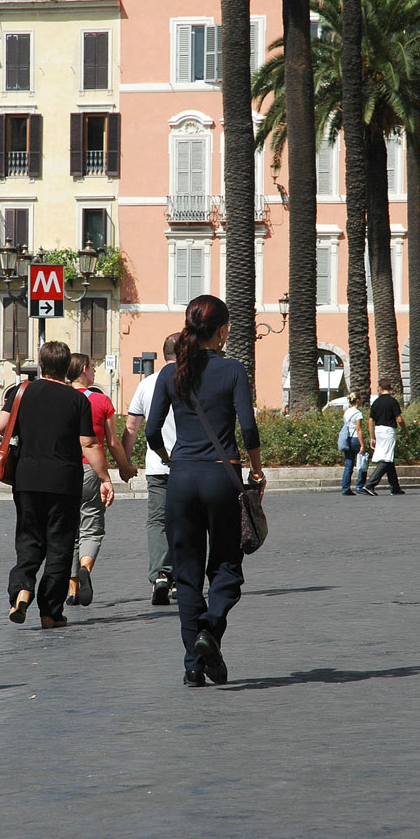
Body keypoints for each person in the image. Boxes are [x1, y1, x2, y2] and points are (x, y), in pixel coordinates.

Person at [146, 295, 265, 688]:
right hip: (221, 474)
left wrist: (169, 457)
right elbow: (248, 428)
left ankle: (193, 667)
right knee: (227, 564)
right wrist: (257, 470)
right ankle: (210, 631)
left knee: (187, 572)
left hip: (181, 478)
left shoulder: (170, 373)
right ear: (222, 331)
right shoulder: (233, 369)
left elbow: (151, 431)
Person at [0, 341, 114, 629]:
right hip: (64, 481)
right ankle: (50, 613)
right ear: (66, 367)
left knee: (29, 538)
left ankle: (22, 590)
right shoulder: (78, 400)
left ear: (41, 365)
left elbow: (0, 426)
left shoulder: (22, 392)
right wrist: (105, 478)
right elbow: (88, 443)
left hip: (27, 479)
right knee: (60, 545)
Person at [65, 353, 137, 607]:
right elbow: (113, 442)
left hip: (62, 471)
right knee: (91, 528)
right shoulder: (101, 400)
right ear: (84, 369)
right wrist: (125, 468)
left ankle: (72, 590)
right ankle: (85, 568)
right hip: (90, 470)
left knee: (69, 530)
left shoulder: (60, 398)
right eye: (93, 367)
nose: (95, 371)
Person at [122, 332, 180, 604]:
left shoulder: (146, 384)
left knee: (157, 521)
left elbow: (132, 427)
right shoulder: (193, 380)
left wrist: (125, 462)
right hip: (190, 464)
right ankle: (181, 578)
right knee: (188, 520)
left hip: (158, 466)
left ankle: (160, 575)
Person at [362, 378, 410, 496]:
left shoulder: (376, 402)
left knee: (389, 459)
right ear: (390, 388)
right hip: (389, 431)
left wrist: (372, 437)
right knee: (386, 458)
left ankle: (395, 487)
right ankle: (370, 484)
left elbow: (370, 421)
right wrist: (406, 431)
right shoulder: (393, 402)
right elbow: (399, 419)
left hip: (378, 430)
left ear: (380, 388)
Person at [340, 392, 367, 496]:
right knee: (363, 460)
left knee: (349, 463)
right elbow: (359, 429)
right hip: (355, 438)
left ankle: (345, 487)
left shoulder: (347, 412)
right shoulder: (358, 413)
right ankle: (360, 486)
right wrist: (362, 445)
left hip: (347, 438)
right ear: (357, 400)